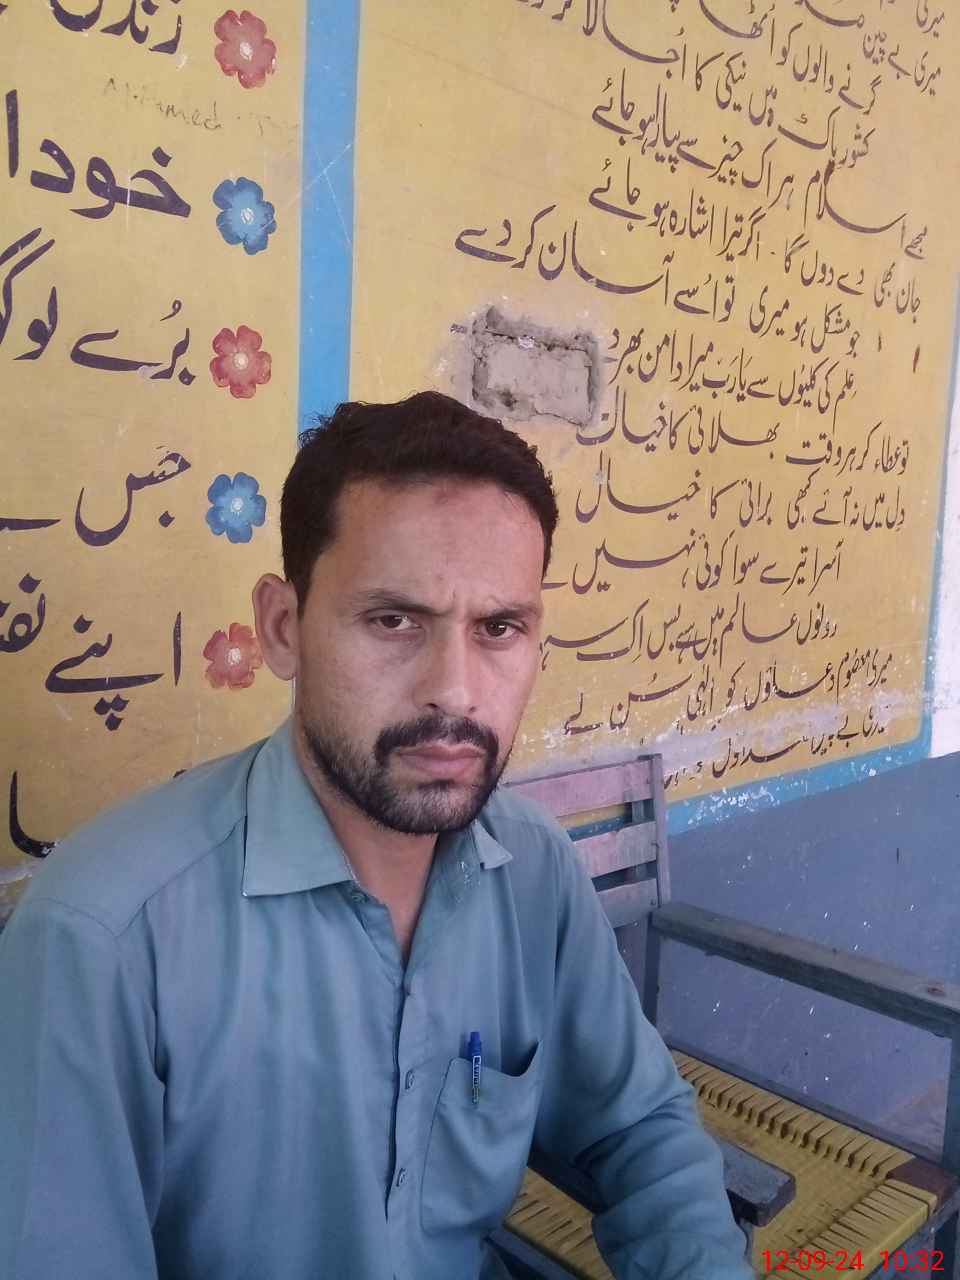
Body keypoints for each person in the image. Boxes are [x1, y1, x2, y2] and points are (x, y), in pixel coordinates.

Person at [0, 392, 753, 1280]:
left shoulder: (532, 869)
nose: (455, 692)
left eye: (499, 628)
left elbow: (642, 1128)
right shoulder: (102, 941)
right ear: (284, 629)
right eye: (394, 620)